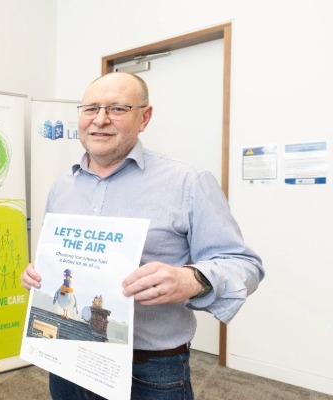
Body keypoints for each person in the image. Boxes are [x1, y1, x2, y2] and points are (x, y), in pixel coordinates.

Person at [22, 72, 264, 400]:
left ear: (144, 118)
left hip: (149, 368)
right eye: (91, 108)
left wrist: (193, 279)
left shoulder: (188, 182)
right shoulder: (63, 185)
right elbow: (57, 258)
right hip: (68, 355)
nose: (100, 120)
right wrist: (40, 274)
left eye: (117, 109)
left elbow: (244, 265)